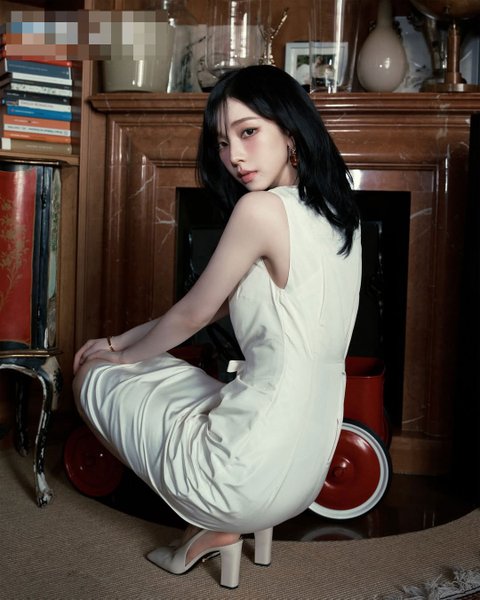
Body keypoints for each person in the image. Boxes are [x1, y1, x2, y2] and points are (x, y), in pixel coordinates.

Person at [73, 64, 362, 589]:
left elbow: (194, 314)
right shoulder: (339, 211)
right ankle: (244, 526)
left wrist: (113, 357)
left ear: (291, 131)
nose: (234, 156)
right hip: (306, 474)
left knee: (92, 378)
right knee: (158, 369)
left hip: (239, 476)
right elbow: (217, 306)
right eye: (223, 142)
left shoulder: (260, 210)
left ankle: (215, 521)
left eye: (248, 132)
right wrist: (118, 341)